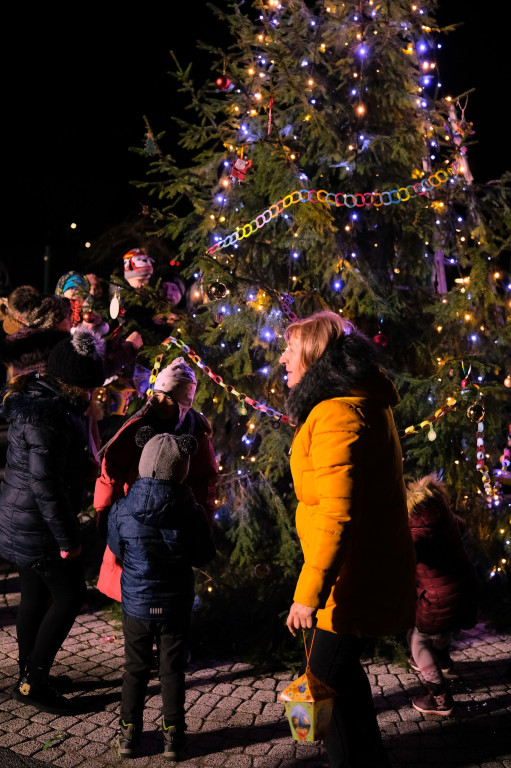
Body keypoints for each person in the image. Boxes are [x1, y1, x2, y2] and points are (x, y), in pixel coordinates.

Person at [279, 309, 416, 768]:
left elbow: (339, 514)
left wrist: (308, 596)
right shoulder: (351, 401)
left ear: (315, 358)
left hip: (350, 580)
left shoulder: (338, 413)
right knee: (343, 679)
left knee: (323, 688)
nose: (282, 360)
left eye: (290, 351)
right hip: (356, 571)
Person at [0, 328, 106, 714]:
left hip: (21, 517)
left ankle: (29, 671)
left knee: (36, 594)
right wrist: (67, 539)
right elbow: (47, 486)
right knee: (70, 595)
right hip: (39, 526)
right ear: (78, 385)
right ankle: (33, 683)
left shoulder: (40, 399)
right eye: (92, 387)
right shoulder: (49, 417)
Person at [108, 426, 216, 759]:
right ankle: (174, 737)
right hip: (174, 605)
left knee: (135, 669)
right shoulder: (190, 511)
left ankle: (129, 735)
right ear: (181, 470)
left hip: (137, 604)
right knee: (171, 670)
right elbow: (203, 556)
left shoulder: (124, 509)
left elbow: (117, 548)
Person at [94, 356, 218, 601]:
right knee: (132, 581)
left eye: (168, 397)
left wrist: (204, 517)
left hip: (175, 518)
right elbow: (111, 470)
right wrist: (104, 511)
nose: (158, 402)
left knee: (167, 585)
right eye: (157, 394)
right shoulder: (137, 426)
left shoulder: (197, 435)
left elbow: (206, 480)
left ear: (183, 403)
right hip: (135, 512)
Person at [406, 473, 480, 717]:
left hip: (439, 598)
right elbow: (462, 525)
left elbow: (406, 557)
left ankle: (440, 699)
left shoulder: (415, 530)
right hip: (465, 586)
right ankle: (443, 660)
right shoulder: (442, 513)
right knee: (442, 627)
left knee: (418, 642)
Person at [0, 292, 72, 379]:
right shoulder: (52, 354)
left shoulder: (21, 347)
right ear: (54, 322)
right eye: (67, 317)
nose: (70, 322)